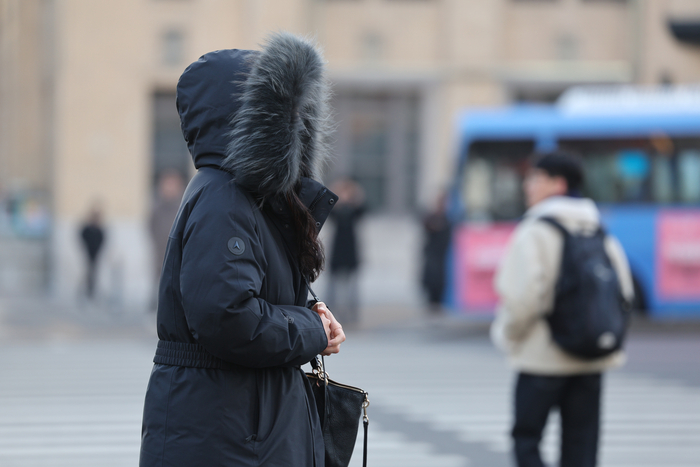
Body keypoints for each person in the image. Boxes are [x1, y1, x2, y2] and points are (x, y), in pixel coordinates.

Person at [139, 33, 345, 467]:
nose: (295, 127)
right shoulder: (223, 197)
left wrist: (316, 312)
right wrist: (311, 330)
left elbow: (255, 283)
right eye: (282, 115)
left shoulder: (245, 197)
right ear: (250, 122)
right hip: (228, 430)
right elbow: (227, 316)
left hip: (240, 423)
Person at [490, 152, 634, 467]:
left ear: (558, 183)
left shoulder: (535, 230)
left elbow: (523, 298)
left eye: (535, 179)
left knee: (527, 439)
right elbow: (624, 292)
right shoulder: (597, 228)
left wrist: (508, 337)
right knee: (581, 445)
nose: (528, 186)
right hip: (590, 358)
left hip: (541, 358)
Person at [327, 177, 365, 325]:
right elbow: (328, 212)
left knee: (352, 289)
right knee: (333, 288)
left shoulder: (354, 210)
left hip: (351, 252)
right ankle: (330, 315)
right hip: (337, 252)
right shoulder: (336, 210)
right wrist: (336, 197)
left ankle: (352, 317)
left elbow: (363, 210)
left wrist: (355, 197)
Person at [148, 169, 184, 307]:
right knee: (158, 282)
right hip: (160, 252)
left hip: (178, 254)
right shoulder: (157, 208)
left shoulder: (182, 206)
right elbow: (151, 227)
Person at [420, 191, 452, 312]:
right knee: (430, 279)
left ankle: (438, 303)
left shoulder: (447, 219)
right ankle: (431, 303)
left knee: (440, 280)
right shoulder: (431, 217)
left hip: (442, 255)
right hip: (432, 255)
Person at [79, 206, 105, 299]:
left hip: (96, 254)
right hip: (87, 253)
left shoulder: (99, 230)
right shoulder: (87, 229)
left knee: (94, 273)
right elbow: (83, 237)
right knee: (87, 273)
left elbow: (102, 239)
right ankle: (86, 291)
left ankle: (92, 291)